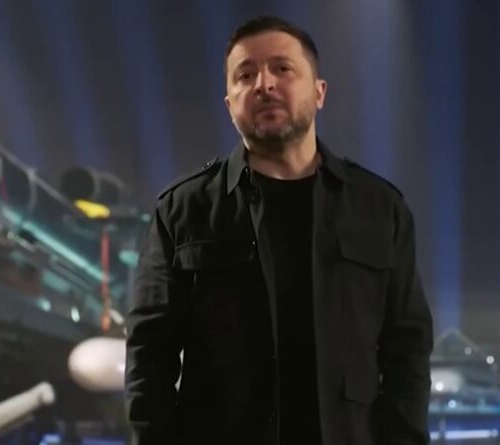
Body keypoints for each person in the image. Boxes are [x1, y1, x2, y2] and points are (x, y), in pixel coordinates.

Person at [125, 15, 433, 445]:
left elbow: (408, 352)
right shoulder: (182, 211)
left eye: (282, 68)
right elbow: (149, 356)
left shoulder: (381, 209)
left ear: (319, 92)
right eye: (245, 75)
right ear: (229, 103)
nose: (263, 84)